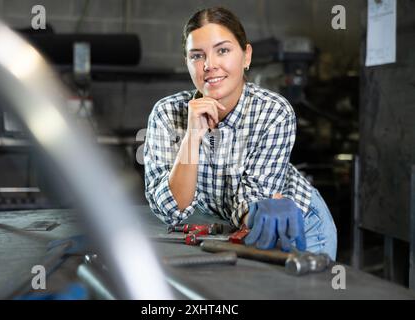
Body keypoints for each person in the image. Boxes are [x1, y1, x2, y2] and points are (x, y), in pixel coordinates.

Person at [144, 6, 337, 260]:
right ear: (187, 63)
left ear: (246, 56)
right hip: (232, 229)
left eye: (222, 50)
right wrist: (192, 136)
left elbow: (253, 198)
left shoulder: (273, 112)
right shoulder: (167, 113)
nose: (210, 65)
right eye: (197, 56)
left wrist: (255, 212)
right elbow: (170, 210)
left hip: (297, 224)